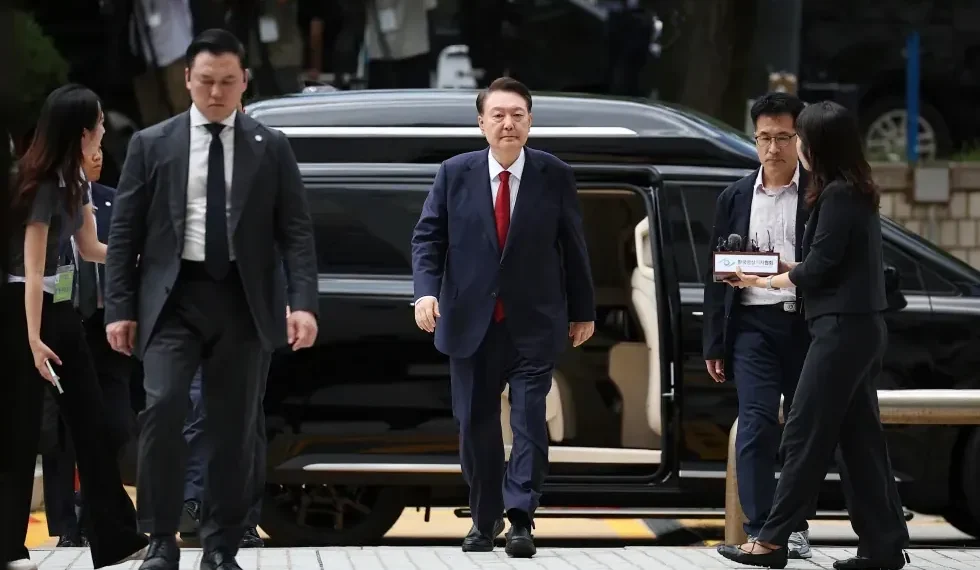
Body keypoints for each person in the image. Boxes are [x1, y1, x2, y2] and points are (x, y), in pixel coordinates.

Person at [104, 28, 319, 570]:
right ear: (187, 80)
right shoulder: (152, 145)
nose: (216, 93)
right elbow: (125, 235)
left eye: (227, 82)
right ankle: (159, 537)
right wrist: (120, 309)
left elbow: (295, 233)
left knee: (232, 426)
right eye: (205, 81)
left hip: (243, 302)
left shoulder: (271, 148)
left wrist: (303, 303)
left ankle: (222, 545)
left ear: (244, 82)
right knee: (164, 409)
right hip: (172, 301)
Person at [716, 101, 911, 570]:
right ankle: (883, 546)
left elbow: (819, 271)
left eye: (797, 136)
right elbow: (824, 261)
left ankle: (771, 540)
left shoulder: (837, 195)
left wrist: (759, 281)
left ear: (816, 144)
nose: (792, 144)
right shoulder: (850, 189)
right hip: (857, 327)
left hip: (840, 330)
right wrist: (778, 266)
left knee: (803, 431)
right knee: (860, 437)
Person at [411, 76, 596, 558]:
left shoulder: (553, 174)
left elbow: (573, 248)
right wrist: (424, 294)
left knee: (531, 419)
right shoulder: (454, 173)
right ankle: (483, 517)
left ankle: (520, 518)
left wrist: (583, 311)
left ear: (530, 122)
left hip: (533, 323)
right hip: (469, 323)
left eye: (517, 114)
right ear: (481, 123)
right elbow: (427, 240)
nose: (508, 123)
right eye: (498, 114)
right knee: (476, 425)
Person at [0, 84, 148, 570]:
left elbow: (90, 248)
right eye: (101, 124)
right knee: (19, 431)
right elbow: (31, 267)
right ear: (83, 132)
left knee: (92, 422)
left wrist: (137, 258)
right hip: (23, 310)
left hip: (59, 311)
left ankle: (117, 538)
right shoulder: (38, 184)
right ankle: (6, 544)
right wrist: (33, 339)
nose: (106, 131)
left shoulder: (75, 182)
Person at [702, 92, 813, 559]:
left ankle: (796, 526)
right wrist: (715, 343)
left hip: (807, 323)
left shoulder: (818, 192)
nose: (773, 148)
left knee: (804, 429)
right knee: (756, 423)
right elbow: (715, 273)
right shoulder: (734, 196)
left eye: (783, 137)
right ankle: (761, 528)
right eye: (764, 137)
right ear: (754, 139)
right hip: (752, 323)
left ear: (799, 138)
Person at [40, 146, 136, 549]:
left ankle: (91, 508)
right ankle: (68, 525)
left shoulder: (116, 200)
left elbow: (115, 253)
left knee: (115, 425)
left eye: (100, 149)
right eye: (89, 150)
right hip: (60, 321)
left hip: (104, 326)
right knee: (60, 433)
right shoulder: (48, 199)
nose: (97, 156)